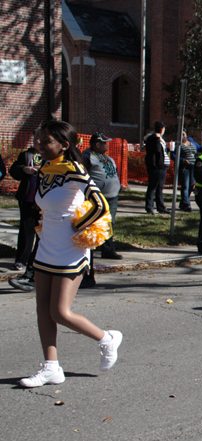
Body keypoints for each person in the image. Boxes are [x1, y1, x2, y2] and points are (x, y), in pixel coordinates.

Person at [19, 120, 122, 388]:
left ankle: (106, 339)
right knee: (43, 308)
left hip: (69, 249)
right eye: (40, 139)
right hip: (45, 247)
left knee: (60, 312)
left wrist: (77, 226)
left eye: (47, 141)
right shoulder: (44, 168)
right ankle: (51, 367)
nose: (40, 144)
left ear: (64, 145)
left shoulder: (74, 169)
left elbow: (100, 205)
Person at [82, 132, 123, 260]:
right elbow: (83, 175)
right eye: (104, 143)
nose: (107, 145)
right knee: (93, 222)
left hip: (112, 196)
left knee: (110, 222)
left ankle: (108, 250)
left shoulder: (108, 158)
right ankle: (87, 248)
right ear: (97, 144)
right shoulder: (87, 156)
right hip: (96, 197)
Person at [10, 131, 43, 272]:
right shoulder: (26, 155)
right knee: (26, 230)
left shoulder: (51, 157)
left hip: (43, 201)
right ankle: (21, 260)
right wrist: (24, 169)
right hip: (27, 199)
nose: (39, 142)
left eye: (43, 140)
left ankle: (35, 261)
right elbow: (14, 170)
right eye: (37, 139)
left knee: (41, 232)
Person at [144, 120, 170, 214]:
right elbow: (157, 150)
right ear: (162, 129)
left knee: (159, 187)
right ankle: (149, 207)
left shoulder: (161, 139)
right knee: (153, 187)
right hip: (155, 167)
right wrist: (157, 139)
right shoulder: (153, 139)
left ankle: (161, 207)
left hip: (162, 167)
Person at [172, 130, 197, 212]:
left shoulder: (191, 142)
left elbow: (199, 147)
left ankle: (183, 203)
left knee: (191, 185)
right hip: (184, 168)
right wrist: (182, 160)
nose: (182, 135)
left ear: (186, 134)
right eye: (179, 134)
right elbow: (173, 155)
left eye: (183, 134)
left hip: (193, 167)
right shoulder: (176, 144)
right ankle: (186, 204)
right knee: (185, 186)